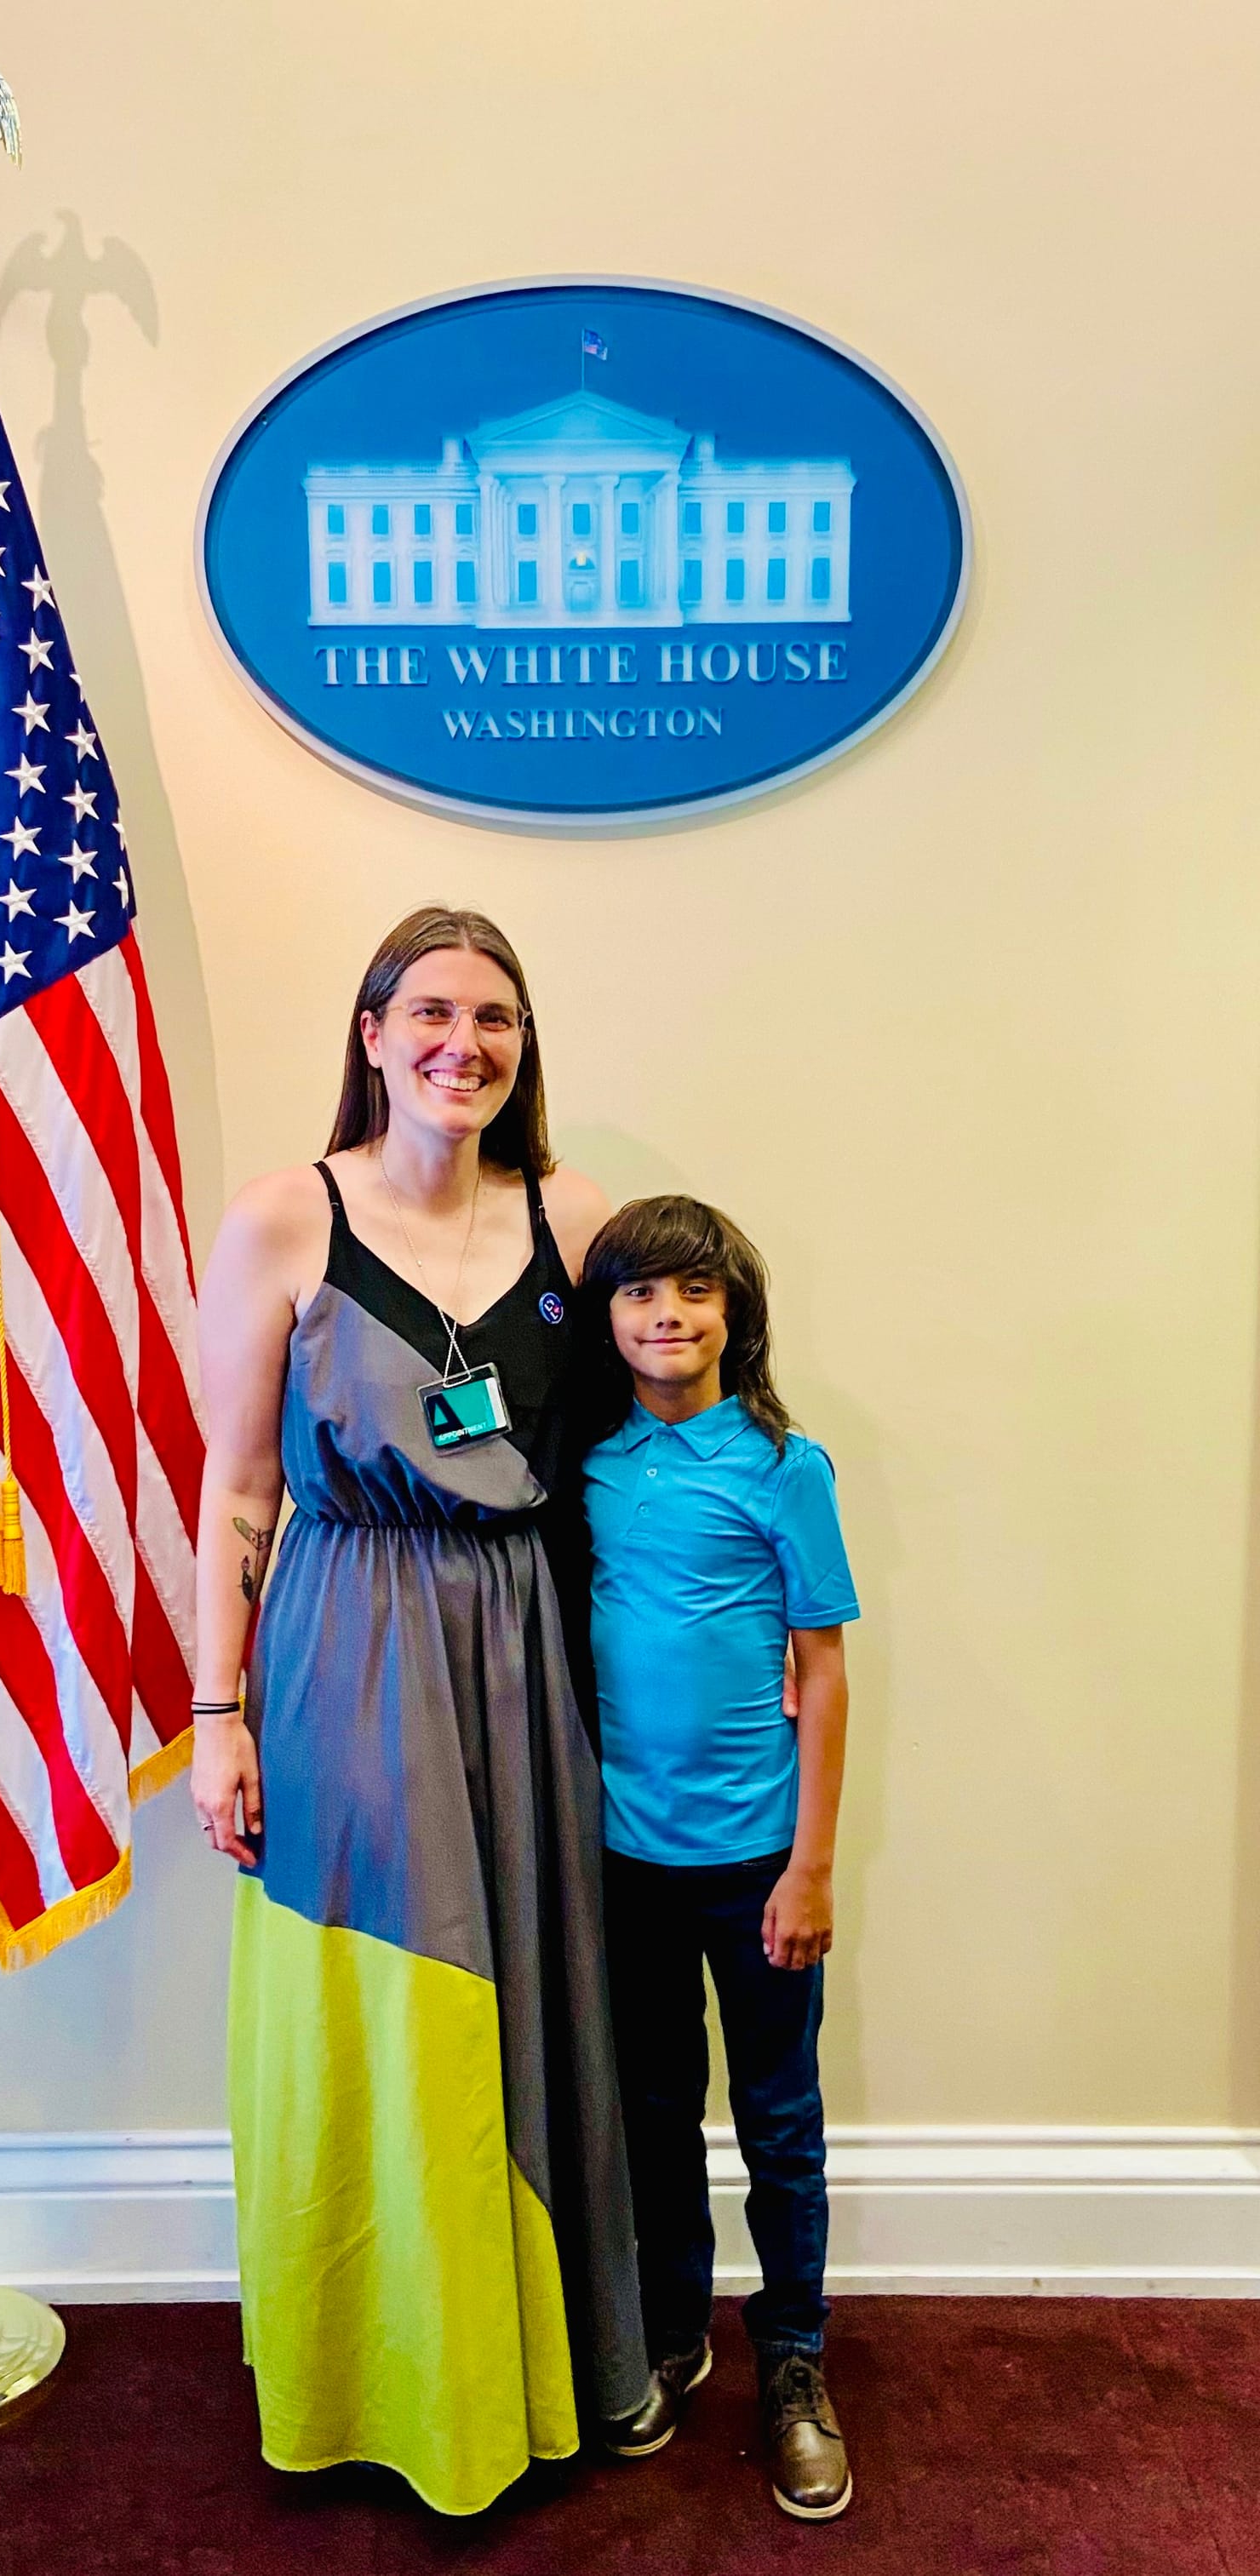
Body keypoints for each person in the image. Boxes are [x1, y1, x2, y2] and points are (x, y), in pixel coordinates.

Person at [189, 906, 650, 2516]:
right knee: (379, 2009)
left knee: (531, 1990)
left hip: (528, 1644)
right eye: (433, 1012)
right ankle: (369, 2370)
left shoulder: (575, 1217)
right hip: (345, 1643)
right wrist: (214, 1712)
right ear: (372, 1033)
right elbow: (236, 1484)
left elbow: (656, 1438)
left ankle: (538, 2367)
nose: (467, 1042)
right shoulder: (283, 1222)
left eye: (499, 1018)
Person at [579, 1194, 860, 2520]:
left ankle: (794, 2360)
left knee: (779, 2120)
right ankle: (673, 2330)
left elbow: (826, 1670)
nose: (668, 1316)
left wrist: (809, 1867)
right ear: (610, 1318)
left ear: (734, 1313)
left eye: (694, 1293)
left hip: (757, 1863)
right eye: (640, 1294)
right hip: (624, 1863)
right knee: (650, 2110)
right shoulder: (586, 1465)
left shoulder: (784, 1465)